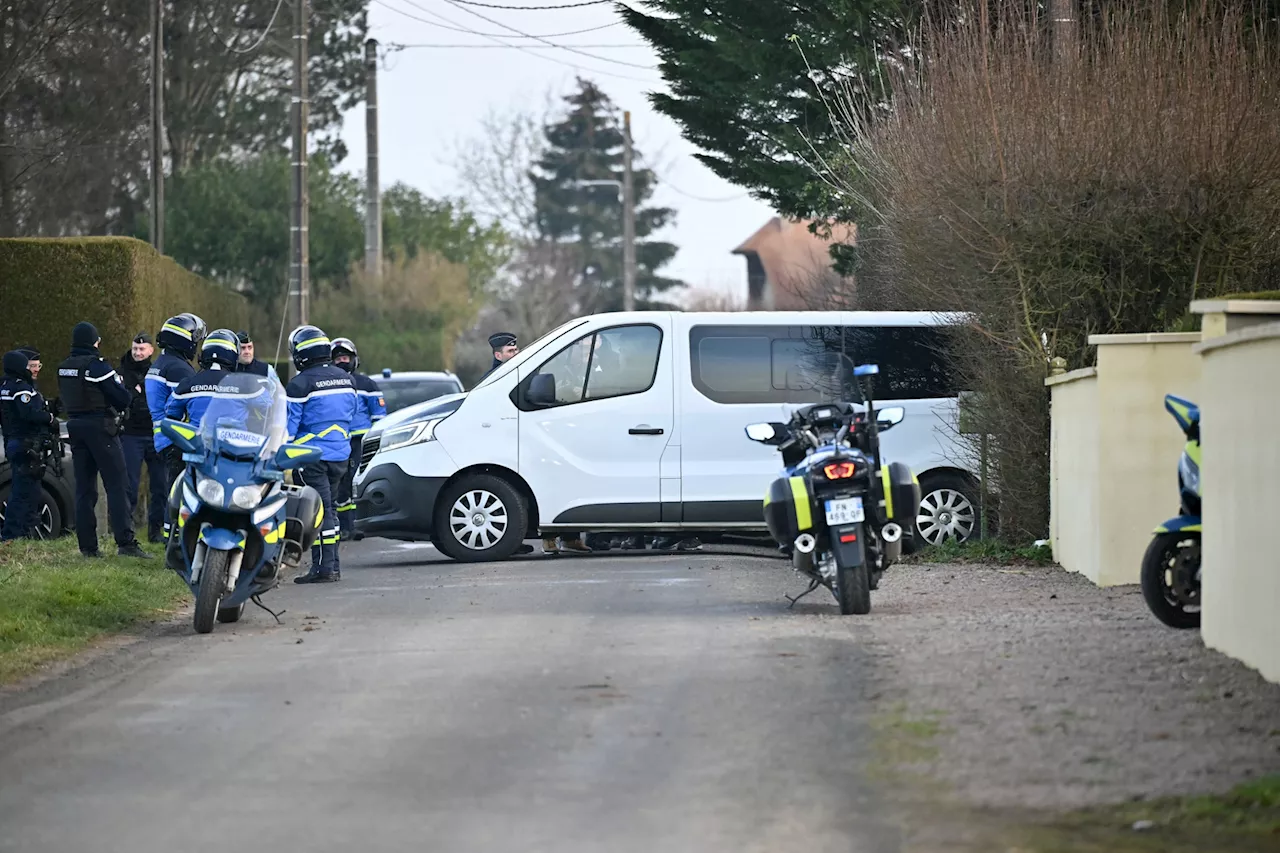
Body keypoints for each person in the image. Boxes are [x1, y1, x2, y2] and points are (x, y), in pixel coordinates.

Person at [57, 322, 150, 559]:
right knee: (118, 484)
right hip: (100, 428)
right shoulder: (97, 367)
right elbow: (122, 398)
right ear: (93, 342)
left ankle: (88, 547)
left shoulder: (64, 367)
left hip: (75, 428)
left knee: (84, 489)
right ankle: (126, 543)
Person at [285, 325, 357, 583]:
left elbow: (289, 427)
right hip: (341, 455)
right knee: (332, 512)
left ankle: (324, 569)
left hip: (311, 457)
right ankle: (332, 566)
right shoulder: (347, 379)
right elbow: (350, 414)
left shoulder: (299, 384)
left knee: (318, 513)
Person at [330, 337, 385, 542]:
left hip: (361, 442)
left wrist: (375, 440)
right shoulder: (328, 385)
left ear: (354, 359)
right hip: (337, 442)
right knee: (341, 485)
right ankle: (345, 526)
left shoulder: (367, 384)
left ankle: (361, 524)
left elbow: (379, 416)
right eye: (338, 359)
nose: (342, 362)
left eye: (345, 357)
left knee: (358, 481)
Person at [1, 351, 55, 542]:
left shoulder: (4, 387)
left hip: (12, 442)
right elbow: (29, 414)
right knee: (24, 491)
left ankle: (24, 534)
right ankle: (13, 535)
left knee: (25, 489)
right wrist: (49, 417)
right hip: (25, 443)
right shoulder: (21, 389)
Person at [147, 313, 204, 494]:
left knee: (166, 493)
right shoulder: (179, 369)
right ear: (185, 341)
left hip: (163, 438)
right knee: (181, 495)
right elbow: (189, 403)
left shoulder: (161, 363)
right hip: (176, 440)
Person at [119, 332, 166, 542]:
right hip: (130, 435)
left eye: (141, 349)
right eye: (135, 349)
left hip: (155, 434)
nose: (137, 353)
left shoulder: (157, 373)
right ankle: (126, 533)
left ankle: (157, 532)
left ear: (150, 351)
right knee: (129, 485)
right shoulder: (120, 372)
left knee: (161, 486)